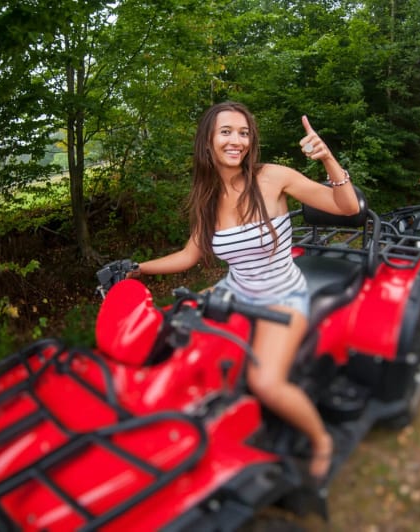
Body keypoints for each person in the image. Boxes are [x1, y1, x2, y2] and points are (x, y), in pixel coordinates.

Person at [128, 101, 360, 481]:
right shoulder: (206, 196)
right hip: (234, 290)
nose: (236, 140)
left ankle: (321, 440)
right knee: (175, 341)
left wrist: (328, 160)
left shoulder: (272, 178)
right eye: (226, 132)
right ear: (208, 141)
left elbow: (346, 207)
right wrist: (137, 269)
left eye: (244, 132)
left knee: (265, 382)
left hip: (282, 297)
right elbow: (190, 254)